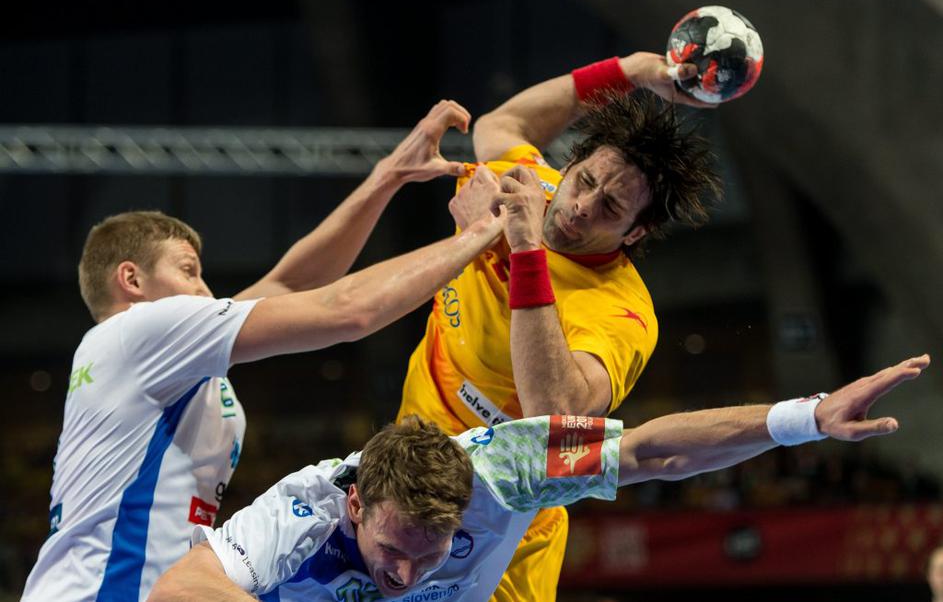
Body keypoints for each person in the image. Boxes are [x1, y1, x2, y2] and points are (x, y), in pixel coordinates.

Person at [21, 101, 510, 602]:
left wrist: (388, 176)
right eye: (188, 271)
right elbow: (347, 310)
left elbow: (294, 283)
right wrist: (478, 233)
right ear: (132, 280)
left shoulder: (146, 354)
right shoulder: (140, 331)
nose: (206, 291)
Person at [150, 355, 929, 601]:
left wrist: (806, 417)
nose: (406, 575)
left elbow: (651, 453)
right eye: (391, 549)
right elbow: (181, 590)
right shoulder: (307, 504)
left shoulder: (508, 465)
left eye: (430, 553)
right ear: (355, 503)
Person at [398, 53, 719, 600]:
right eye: (584, 181)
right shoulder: (529, 184)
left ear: (635, 233)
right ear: (568, 166)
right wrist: (629, 72)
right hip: (401, 474)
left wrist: (522, 250)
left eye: (610, 206)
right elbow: (502, 124)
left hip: (500, 527)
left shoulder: (621, 313)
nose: (581, 207)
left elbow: (555, 417)